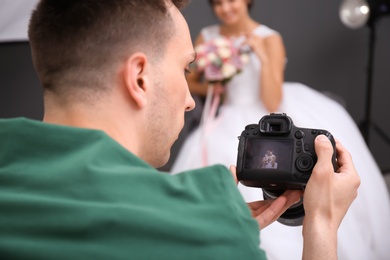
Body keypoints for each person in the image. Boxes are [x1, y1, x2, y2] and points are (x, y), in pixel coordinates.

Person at [0, 0, 360, 259]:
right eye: (186, 69)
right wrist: (322, 226)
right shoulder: (200, 236)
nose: (190, 101)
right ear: (139, 78)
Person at [171, 0, 390, 259]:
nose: (225, 8)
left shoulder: (268, 39)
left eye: (231, 0)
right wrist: (215, 84)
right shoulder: (207, 37)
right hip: (228, 115)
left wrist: (262, 59)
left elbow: (272, 101)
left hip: (266, 111)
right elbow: (191, 80)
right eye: (218, 3)